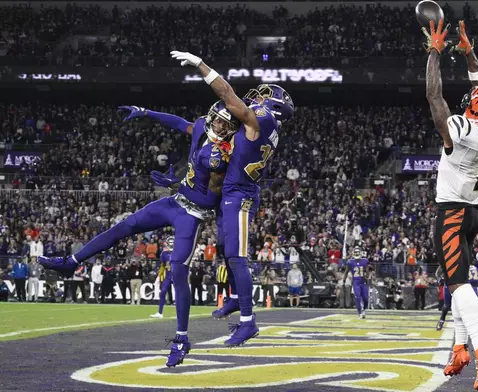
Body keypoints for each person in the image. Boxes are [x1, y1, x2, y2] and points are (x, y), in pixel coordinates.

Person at [37, 96, 236, 367]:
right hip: (174, 203)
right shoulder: (201, 127)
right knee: (125, 226)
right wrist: (146, 112)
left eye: (229, 125)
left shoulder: (224, 154)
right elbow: (179, 123)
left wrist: (176, 183)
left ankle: (181, 339)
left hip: (192, 214)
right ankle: (71, 262)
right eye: (222, 122)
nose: (224, 128)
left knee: (178, 269)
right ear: (212, 117)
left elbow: (211, 195)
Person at [169, 50, 294, 346]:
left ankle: (249, 322)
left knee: (237, 256)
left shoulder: (260, 120)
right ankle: (237, 298)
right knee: (225, 247)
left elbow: (226, 94)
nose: (258, 99)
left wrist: (201, 65)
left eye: (265, 97)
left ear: (272, 107)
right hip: (231, 192)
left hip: (240, 194)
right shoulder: (266, 127)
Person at [424, 19, 478, 390]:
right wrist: (469, 52)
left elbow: (434, 97)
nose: (471, 99)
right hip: (472, 211)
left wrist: (435, 52)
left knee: (459, 285)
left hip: (452, 212)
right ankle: (459, 347)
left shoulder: (463, 131)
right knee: (454, 279)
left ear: (475, 111)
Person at [343, 247, 370, 318]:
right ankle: (359, 312)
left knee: (366, 298)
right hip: (356, 282)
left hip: (363, 282)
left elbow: (367, 271)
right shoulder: (350, 262)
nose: (357, 254)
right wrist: (344, 280)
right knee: (357, 297)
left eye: (358, 252)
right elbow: (346, 272)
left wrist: (367, 276)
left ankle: (364, 310)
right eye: (356, 252)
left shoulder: (364, 261)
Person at [151, 237, 174, 318]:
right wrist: (159, 275)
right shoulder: (164, 253)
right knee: (163, 292)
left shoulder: (178, 252)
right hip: (168, 275)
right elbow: (163, 265)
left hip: (176, 275)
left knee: (179, 294)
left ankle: (182, 313)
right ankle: (160, 312)